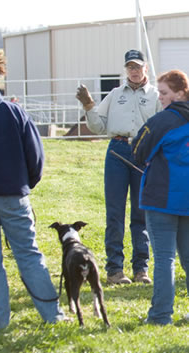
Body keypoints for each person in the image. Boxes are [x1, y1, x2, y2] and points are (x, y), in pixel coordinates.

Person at [0, 52, 66, 329]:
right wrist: (26, 183)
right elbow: (36, 156)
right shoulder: (13, 111)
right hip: (13, 193)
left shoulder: (12, 111)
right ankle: (52, 315)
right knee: (28, 253)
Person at [76, 49, 162, 285]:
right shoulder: (114, 95)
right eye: (130, 67)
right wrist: (89, 106)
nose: (134, 71)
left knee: (140, 212)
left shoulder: (155, 96)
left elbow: (162, 127)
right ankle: (115, 269)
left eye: (138, 67)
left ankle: (141, 268)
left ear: (146, 68)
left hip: (144, 153)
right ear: (126, 69)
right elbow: (98, 127)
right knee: (115, 213)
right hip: (117, 150)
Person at [132, 69, 189, 325]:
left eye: (164, 93)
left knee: (164, 258)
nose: (161, 98)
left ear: (180, 93)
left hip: (162, 199)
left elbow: (137, 149)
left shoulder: (162, 121)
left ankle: (160, 315)